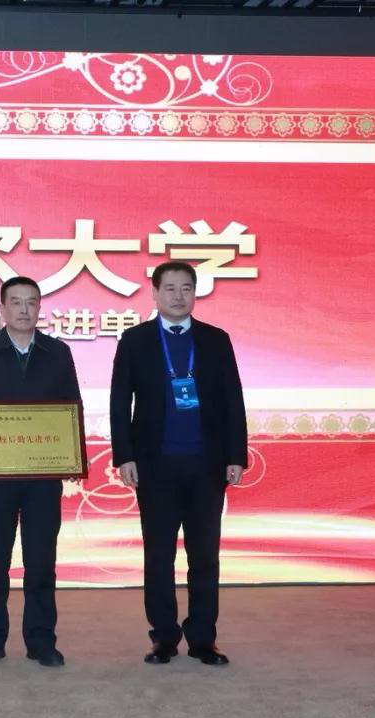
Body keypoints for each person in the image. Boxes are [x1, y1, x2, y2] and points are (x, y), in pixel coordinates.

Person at [109, 260, 247, 666]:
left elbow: (233, 399)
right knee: (159, 556)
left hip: (207, 465)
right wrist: (125, 455)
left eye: (186, 288)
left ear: (195, 293)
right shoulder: (135, 341)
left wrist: (236, 455)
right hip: (155, 467)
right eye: (169, 288)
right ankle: (164, 638)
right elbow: (120, 402)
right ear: (155, 294)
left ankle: (203, 639)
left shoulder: (216, 340)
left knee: (204, 556)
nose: (178, 296)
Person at [0, 276, 82, 668]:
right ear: (2, 309)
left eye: (31, 302)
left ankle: (41, 641)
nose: (24, 309)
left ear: (40, 307)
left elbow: (71, 406)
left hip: (43, 477)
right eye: (16, 302)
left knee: (41, 561)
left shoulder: (58, 352)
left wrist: (73, 454)